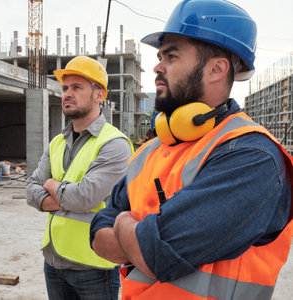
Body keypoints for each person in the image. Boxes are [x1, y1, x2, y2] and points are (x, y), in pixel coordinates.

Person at [90, 0, 293, 299]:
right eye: (160, 56)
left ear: (215, 69)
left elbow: (155, 253)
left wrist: (122, 222)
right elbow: (97, 234)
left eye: (171, 56)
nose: (157, 66)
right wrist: (132, 233)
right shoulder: (151, 150)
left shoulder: (253, 156)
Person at [26, 55, 134, 300]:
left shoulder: (115, 144)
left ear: (100, 95)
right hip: (53, 260)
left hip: (93, 265)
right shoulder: (57, 142)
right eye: (65, 88)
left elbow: (85, 198)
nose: (67, 94)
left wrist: (51, 184)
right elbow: (30, 190)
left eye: (77, 87)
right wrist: (66, 195)